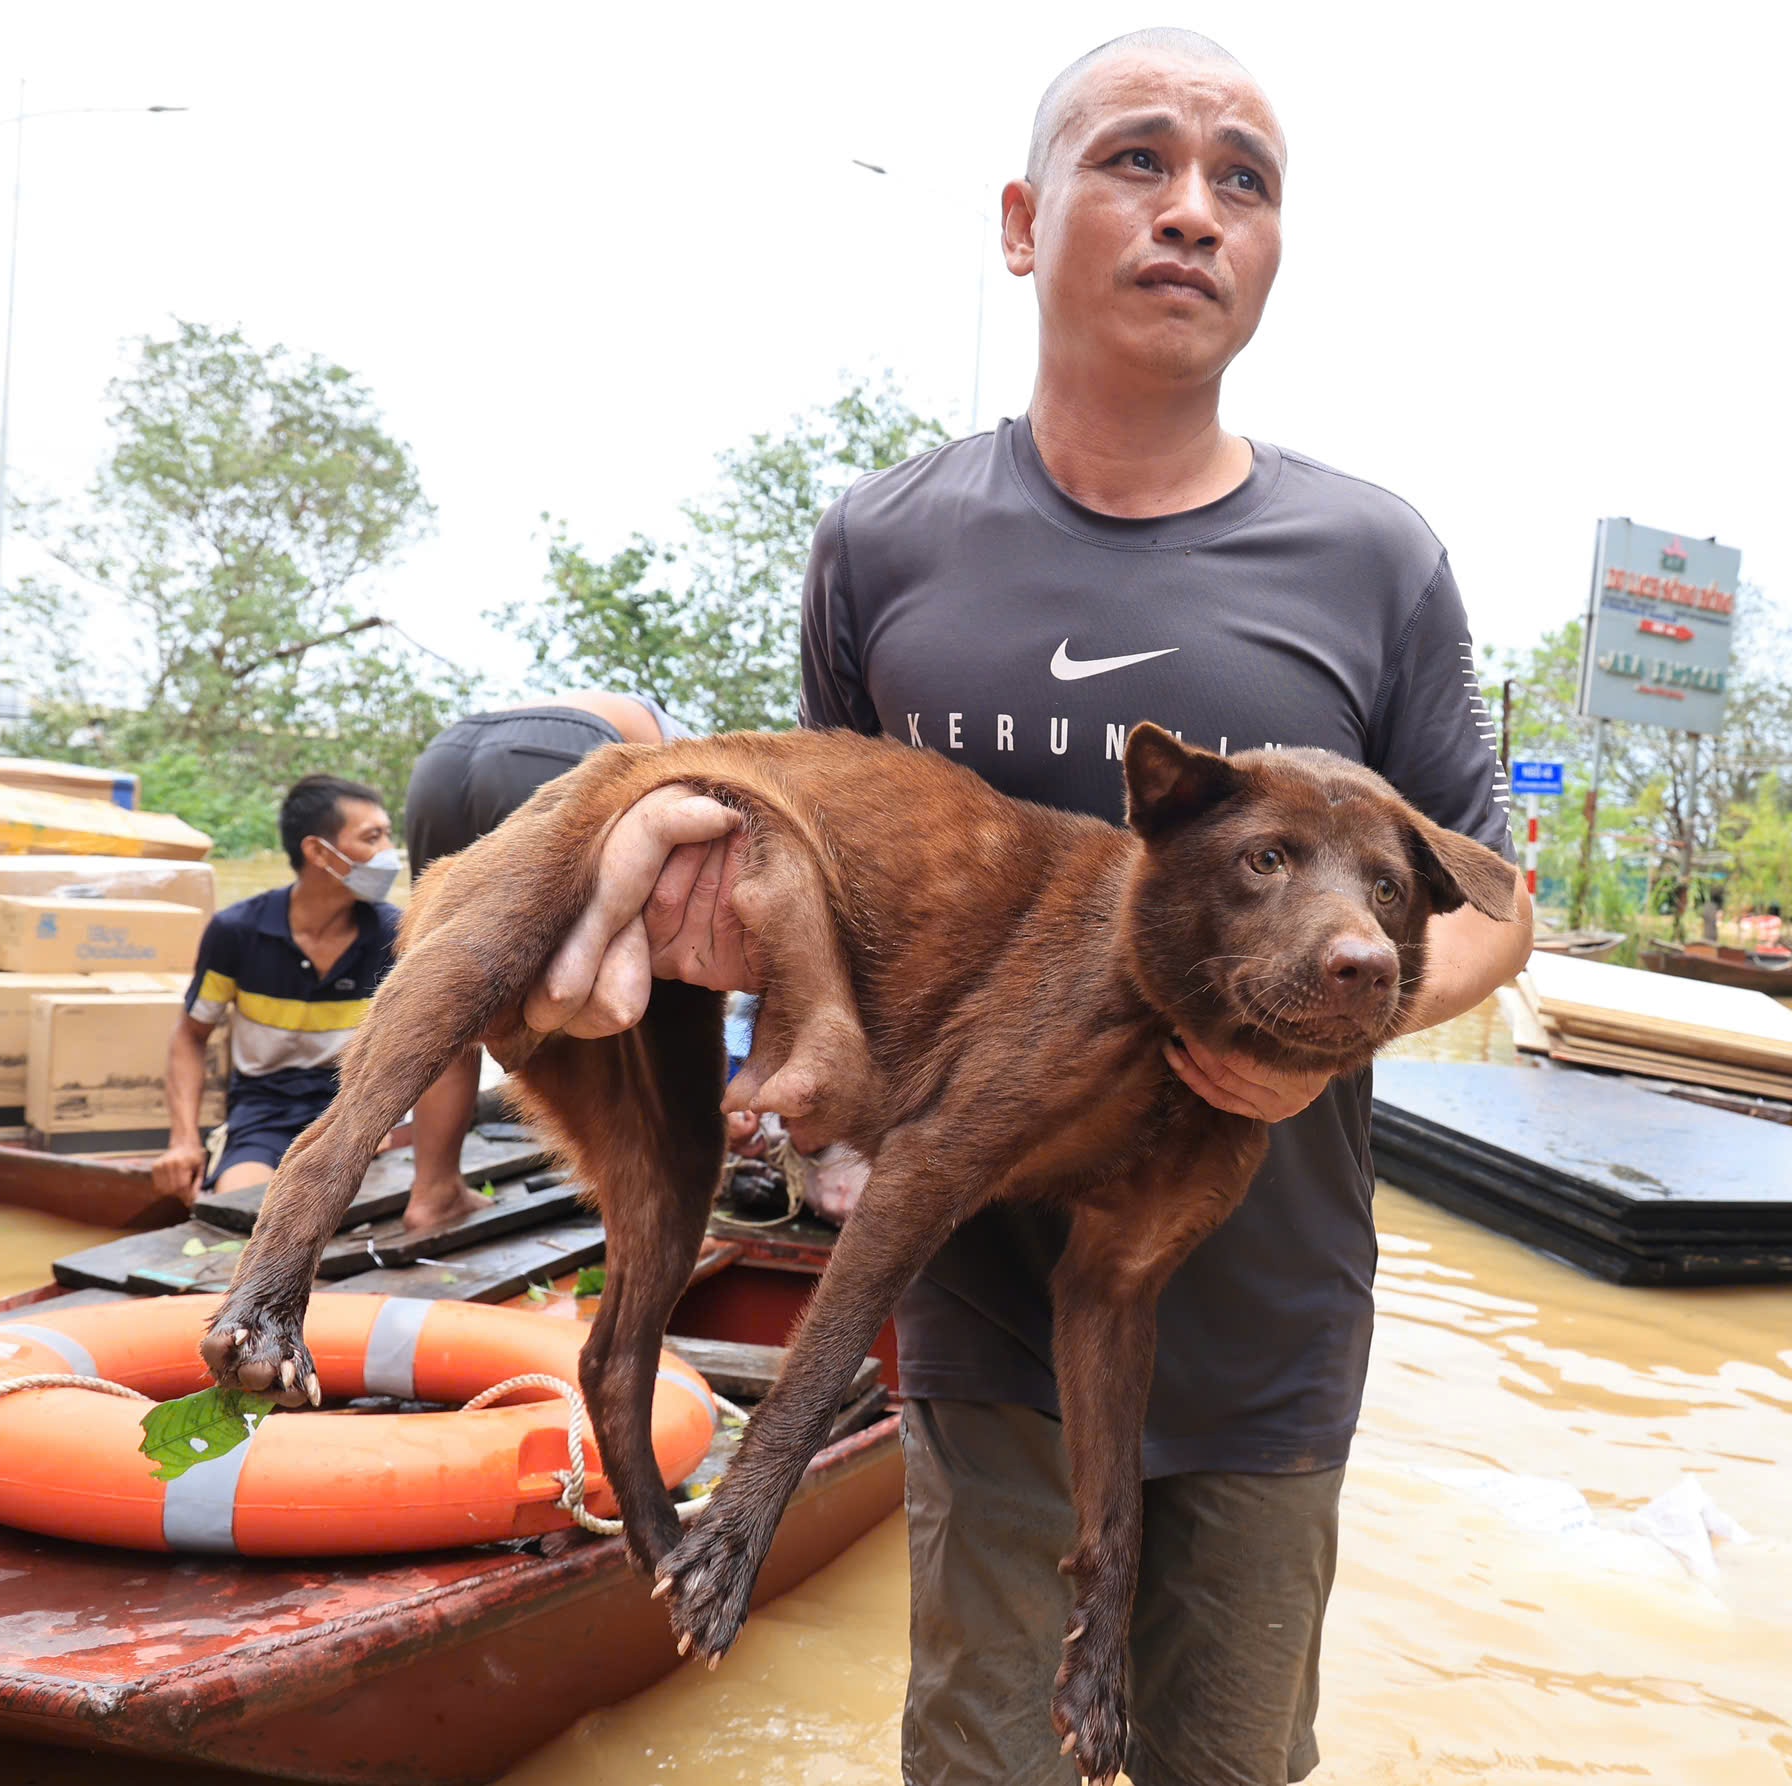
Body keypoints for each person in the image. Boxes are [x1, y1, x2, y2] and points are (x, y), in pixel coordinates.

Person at [509, 27, 1530, 1782]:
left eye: (1244, 182)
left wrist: (1310, 1047)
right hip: (978, 1304)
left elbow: (1501, 906)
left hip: (1266, 1314)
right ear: (1018, 218)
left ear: (1277, 251)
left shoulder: (1377, 558)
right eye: (1137, 160)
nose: (1192, 211)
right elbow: (811, 868)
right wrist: (686, 958)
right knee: (983, 1763)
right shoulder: (887, 543)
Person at [397, 690, 696, 1234]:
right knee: (617, 998)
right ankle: (641, 1219)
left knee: (447, 990)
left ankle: (434, 1191)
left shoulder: (637, 713)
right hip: (560, 755)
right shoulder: (701, 754)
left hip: (444, 759)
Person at [152, 775, 404, 1204]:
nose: (389, 854)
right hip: (263, 1114)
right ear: (318, 852)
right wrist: (183, 1140)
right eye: (372, 837)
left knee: (362, 1218)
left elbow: (412, 1048)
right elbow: (190, 1037)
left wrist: (378, 1120)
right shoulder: (237, 932)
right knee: (242, 1208)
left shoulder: (393, 932)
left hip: (353, 1113)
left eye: (388, 836)